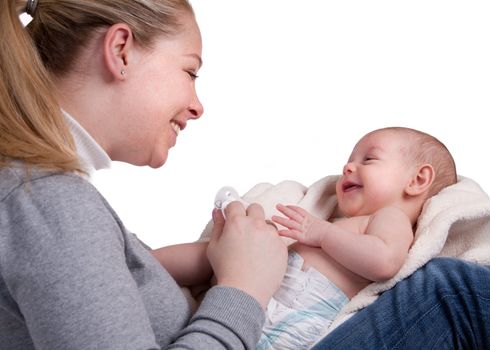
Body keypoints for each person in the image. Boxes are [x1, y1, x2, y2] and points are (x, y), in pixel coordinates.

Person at [0, 1, 288, 349]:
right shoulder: (50, 201)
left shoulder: (41, 197)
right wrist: (244, 289)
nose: (198, 107)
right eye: (190, 72)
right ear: (120, 51)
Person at [154, 126, 458, 349]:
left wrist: (321, 233)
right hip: (264, 290)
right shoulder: (341, 220)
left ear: (418, 180)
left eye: (369, 160)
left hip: (296, 320)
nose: (348, 167)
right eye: (350, 160)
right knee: (216, 252)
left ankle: (144, 263)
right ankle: (147, 261)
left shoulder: (390, 219)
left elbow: (385, 261)